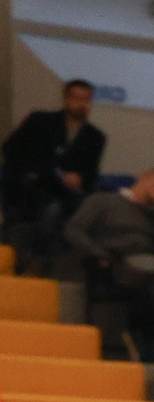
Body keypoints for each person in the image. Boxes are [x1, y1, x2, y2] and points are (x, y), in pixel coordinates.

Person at [64, 167, 154, 354]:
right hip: (115, 258)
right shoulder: (103, 200)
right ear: (143, 180)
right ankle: (148, 344)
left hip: (148, 259)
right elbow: (74, 230)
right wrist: (99, 253)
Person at [3, 78, 106, 263]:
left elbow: (91, 173)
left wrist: (80, 179)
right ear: (66, 99)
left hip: (65, 192)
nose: (81, 104)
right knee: (50, 209)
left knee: (62, 209)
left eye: (85, 99)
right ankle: (34, 258)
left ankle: (41, 258)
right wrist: (30, 170)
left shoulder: (95, 136)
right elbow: (10, 149)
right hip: (31, 184)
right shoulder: (40, 121)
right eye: (76, 98)